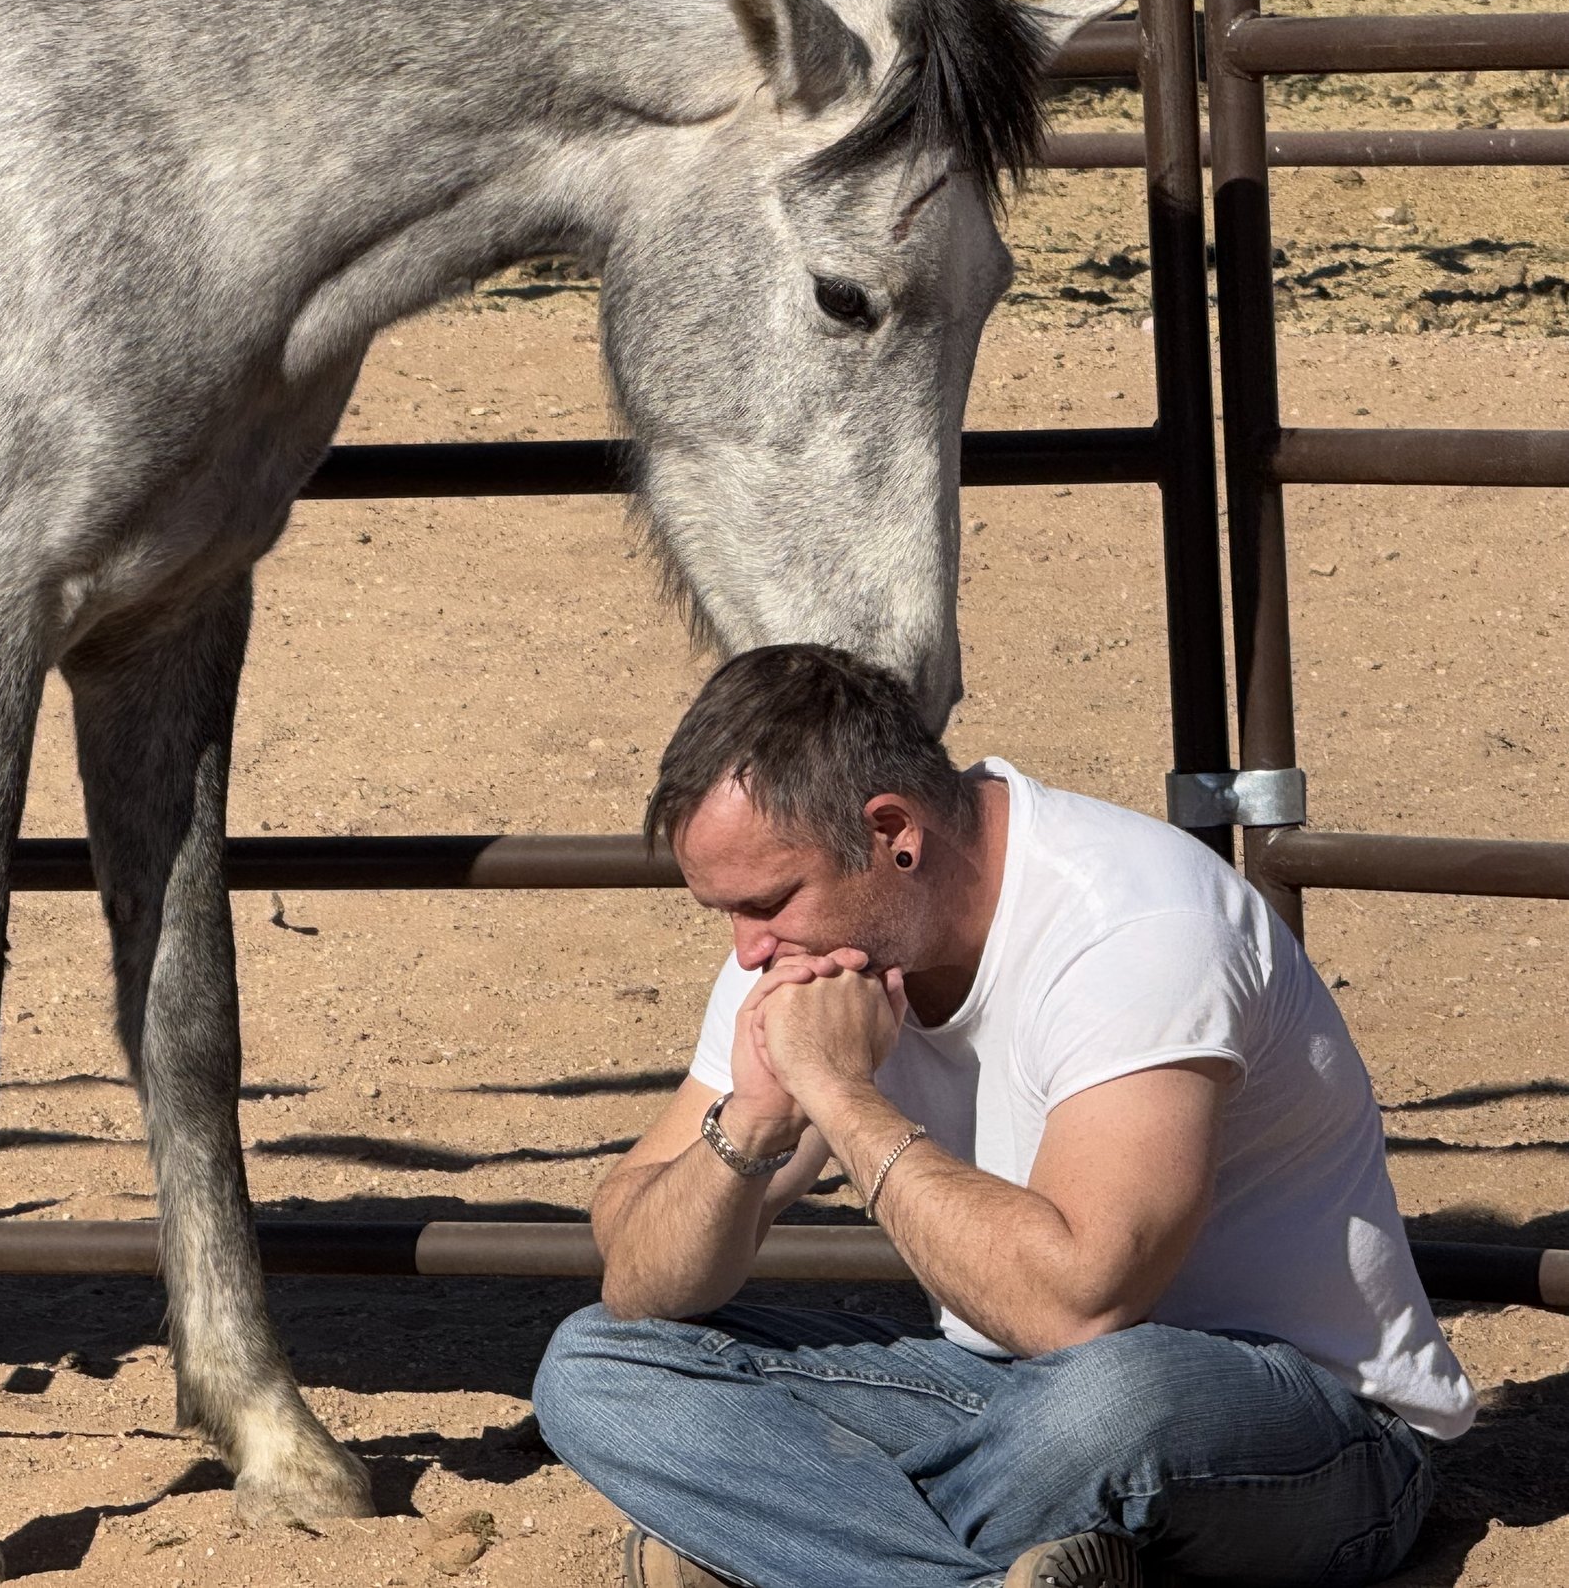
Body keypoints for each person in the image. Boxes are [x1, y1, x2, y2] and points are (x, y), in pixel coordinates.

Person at [533, 643, 1471, 1588]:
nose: (745, 950)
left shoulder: (1133, 922)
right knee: (595, 1364)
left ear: (892, 830)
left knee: (1108, 1404)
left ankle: (788, 1548)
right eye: (725, 912)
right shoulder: (803, 947)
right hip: (1003, 1395)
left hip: (1300, 1422)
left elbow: (1080, 1302)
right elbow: (638, 1274)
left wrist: (839, 1097)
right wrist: (750, 1123)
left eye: (767, 901)